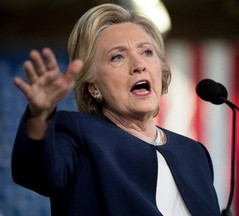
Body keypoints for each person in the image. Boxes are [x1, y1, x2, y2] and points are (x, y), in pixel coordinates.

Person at [11, 3, 220, 216]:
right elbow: (37, 171)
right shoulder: (79, 136)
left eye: (147, 52)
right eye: (117, 57)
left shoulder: (194, 154)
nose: (139, 65)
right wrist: (40, 114)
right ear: (93, 86)